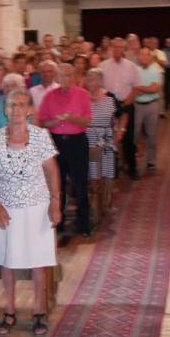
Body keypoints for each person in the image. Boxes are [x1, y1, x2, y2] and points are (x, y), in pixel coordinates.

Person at [0, 89, 61, 337]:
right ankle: (10, 311)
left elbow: (52, 171)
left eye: (21, 105)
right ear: (6, 109)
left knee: (38, 262)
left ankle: (38, 311)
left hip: (37, 206)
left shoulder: (40, 136)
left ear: (29, 111)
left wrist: (55, 203)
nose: (16, 110)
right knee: (8, 262)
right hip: (7, 209)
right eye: (12, 105)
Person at [39, 63, 93, 236]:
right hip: (56, 143)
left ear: (75, 77)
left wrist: (72, 119)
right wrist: (57, 122)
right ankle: (58, 223)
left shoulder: (83, 94)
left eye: (69, 75)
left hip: (77, 142)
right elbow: (43, 122)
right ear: (56, 78)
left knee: (80, 184)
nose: (66, 79)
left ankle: (83, 224)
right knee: (57, 184)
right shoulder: (49, 96)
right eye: (62, 76)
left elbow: (88, 121)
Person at [85, 69, 126, 217]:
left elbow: (122, 115)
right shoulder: (82, 97)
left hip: (107, 137)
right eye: (88, 79)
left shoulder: (110, 97)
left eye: (94, 79)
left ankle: (107, 203)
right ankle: (94, 205)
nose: (91, 82)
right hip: (88, 137)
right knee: (93, 172)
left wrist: (120, 131)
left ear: (101, 81)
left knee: (108, 172)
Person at [100, 38, 141, 179]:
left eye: (120, 47)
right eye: (115, 47)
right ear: (111, 48)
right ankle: (112, 168)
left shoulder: (131, 66)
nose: (118, 50)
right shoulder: (103, 66)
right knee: (109, 137)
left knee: (128, 138)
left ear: (124, 49)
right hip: (108, 105)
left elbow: (136, 88)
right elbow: (100, 87)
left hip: (127, 104)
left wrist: (125, 105)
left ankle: (132, 168)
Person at [132, 47, 163, 175]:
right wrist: (146, 88)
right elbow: (133, 88)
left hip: (152, 105)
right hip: (137, 105)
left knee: (152, 135)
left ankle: (151, 162)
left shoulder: (156, 71)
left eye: (147, 55)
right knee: (134, 134)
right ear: (139, 56)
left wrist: (141, 88)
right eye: (142, 55)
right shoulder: (134, 70)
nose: (144, 57)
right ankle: (132, 162)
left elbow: (154, 89)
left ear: (151, 57)